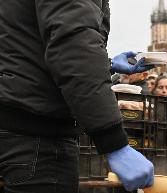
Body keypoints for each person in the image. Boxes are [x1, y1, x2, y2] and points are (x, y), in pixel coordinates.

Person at [0, 1, 154, 193]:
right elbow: (73, 47)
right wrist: (115, 143)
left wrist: (108, 64)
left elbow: (26, 45)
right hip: (37, 136)